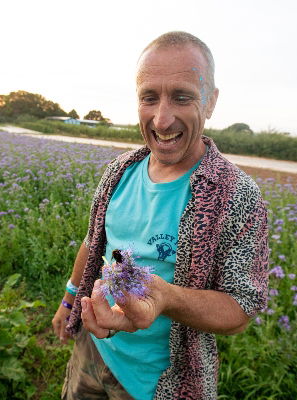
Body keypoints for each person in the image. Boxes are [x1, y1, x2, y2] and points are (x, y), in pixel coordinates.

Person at [52, 31, 269, 400]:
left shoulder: (237, 195)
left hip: (159, 384)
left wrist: (164, 298)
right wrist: (70, 298)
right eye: (149, 98)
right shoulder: (119, 171)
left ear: (211, 101)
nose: (162, 119)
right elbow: (94, 242)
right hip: (94, 349)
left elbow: (242, 308)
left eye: (182, 97)